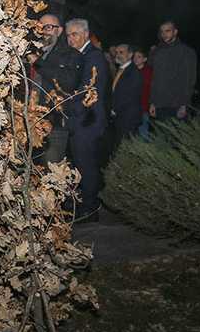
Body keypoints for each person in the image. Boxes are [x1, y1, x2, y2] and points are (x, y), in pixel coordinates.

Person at [64, 19, 109, 222]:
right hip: (81, 120)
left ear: (85, 34)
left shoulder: (94, 56)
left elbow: (89, 90)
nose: (70, 38)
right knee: (80, 164)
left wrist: (69, 109)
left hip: (88, 121)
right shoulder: (80, 56)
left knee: (87, 165)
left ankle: (90, 210)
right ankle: (84, 204)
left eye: (74, 34)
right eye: (68, 35)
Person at [29, 13, 81, 164]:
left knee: (49, 175)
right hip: (27, 122)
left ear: (59, 31)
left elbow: (67, 83)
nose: (44, 31)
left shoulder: (71, 55)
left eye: (49, 27)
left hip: (54, 126)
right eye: (40, 27)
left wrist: (39, 63)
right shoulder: (28, 51)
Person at [149, 20, 197, 122]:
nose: (164, 34)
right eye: (162, 32)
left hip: (177, 104)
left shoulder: (186, 51)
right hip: (160, 104)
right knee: (160, 137)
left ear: (175, 32)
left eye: (167, 31)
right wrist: (152, 102)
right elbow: (155, 79)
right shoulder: (158, 52)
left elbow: (189, 79)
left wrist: (184, 104)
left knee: (176, 137)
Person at [109, 44, 144, 153]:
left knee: (125, 149)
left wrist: (114, 109)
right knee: (118, 146)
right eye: (117, 52)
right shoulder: (120, 70)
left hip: (128, 117)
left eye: (121, 52)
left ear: (130, 55)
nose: (118, 55)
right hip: (119, 116)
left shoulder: (133, 72)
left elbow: (130, 95)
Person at [133, 49, 153, 139]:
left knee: (143, 132)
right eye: (134, 57)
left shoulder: (149, 72)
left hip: (144, 107)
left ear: (145, 59)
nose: (135, 59)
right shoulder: (130, 70)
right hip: (131, 108)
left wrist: (152, 104)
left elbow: (152, 89)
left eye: (139, 57)